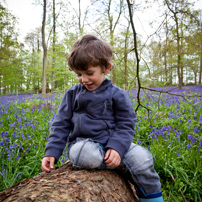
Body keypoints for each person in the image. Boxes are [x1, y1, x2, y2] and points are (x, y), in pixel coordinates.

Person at [41, 34, 164, 202]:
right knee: (83, 155)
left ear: (106, 68)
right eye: (78, 74)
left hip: (115, 142)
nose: (84, 79)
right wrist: (52, 153)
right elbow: (60, 124)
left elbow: (126, 123)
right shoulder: (72, 94)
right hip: (85, 144)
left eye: (89, 73)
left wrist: (117, 147)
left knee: (143, 159)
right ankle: (119, 165)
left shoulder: (117, 94)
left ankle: (151, 198)